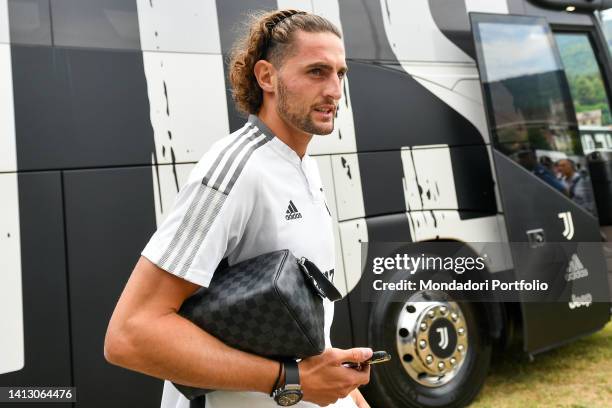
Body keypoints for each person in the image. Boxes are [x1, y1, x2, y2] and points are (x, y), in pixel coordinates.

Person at [104, 9, 372, 408]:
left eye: (340, 73)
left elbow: (309, 333)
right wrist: (291, 380)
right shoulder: (234, 168)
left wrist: (348, 397)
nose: (335, 90)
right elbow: (130, 334)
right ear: (266, 77)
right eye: (317, 71)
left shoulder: (304, 167)